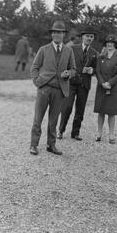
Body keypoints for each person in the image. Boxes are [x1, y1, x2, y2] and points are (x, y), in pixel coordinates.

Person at [30, 21, 76, 156]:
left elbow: (73, 69)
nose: (57, 34)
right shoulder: (43, 49)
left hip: (60, 90)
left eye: (60, 32)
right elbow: (34, 67)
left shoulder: (68, 50)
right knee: (38, 118)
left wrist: (68, 74)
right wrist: (37, 82)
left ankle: (51, 145)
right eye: (54, 32)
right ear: (51, 34)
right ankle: (34, 145)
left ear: (64, 35)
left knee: (53, 120)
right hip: (44, 88)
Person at [58, 26, 98, 141]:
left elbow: (96, 69)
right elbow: (66, 63)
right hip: (71, 83)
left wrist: (92, 71)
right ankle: (61, 130)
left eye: (91, 37)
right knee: (67, 107)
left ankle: (75, 133)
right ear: (82, 37)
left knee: (80, 110)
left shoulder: (94, 53)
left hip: (84, 84)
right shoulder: (72, 49)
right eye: (87, 36)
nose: (89, 38)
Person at [94, 35, 117, 144]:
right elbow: (97, 71)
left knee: (111, 112)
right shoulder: (100, 57)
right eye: (107, 43)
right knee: (101, 111)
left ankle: (111, 134)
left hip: (113, 88)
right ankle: (99, 133)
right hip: (101, 87)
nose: (109, 44)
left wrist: (109, 83)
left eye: (111, 43)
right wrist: (102, 83)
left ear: (115, 44)